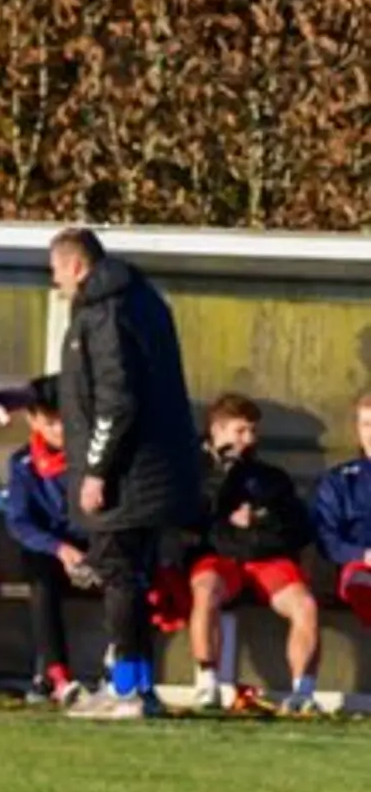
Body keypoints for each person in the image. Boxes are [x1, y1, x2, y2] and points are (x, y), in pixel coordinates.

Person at [48, 228, 203, 721]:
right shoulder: (140, 300)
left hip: (129, 476)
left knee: (119, 576)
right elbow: (92, 382)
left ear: (75, 266)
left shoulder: (104, 312)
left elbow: (116, 401)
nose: (56, 281)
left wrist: (96, 471)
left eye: (55, 270)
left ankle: (130, 689)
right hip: (150, 469)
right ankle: (133, 685)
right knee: (129, 576)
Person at [186, 394, 321, 714]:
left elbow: (294, 526)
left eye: (253, 432)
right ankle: (208, 681)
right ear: (217, 430)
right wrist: (222, 480)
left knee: (305, 604)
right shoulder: (192, 472)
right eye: (240, 431)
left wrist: (257, 521)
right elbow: (193, 522)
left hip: (264, 557)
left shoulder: (271, 477)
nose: (249, 439)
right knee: (205, 590)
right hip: (220, 557)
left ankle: (303, 691)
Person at [2, 376, 94, 706]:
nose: (60, 430)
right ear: (33, 420)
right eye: (51, 422)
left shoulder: (95, 461)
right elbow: (19, 521)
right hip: (50, 551)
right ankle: (56, 675)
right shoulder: (23, 464)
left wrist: (89, 551)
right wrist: (60, 549)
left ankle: (124, 670)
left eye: (66, 421)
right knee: (41, 581)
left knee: (127, 578)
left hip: (94, 547)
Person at [312, 393, 371, 628]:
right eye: (366, 424)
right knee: (359, 582)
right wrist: (363, 555)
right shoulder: (339, 481)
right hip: (359, 566)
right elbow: (326, 537)